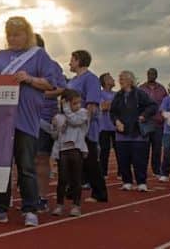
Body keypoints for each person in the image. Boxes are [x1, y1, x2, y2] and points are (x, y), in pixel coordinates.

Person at [0, 16, 57, 227]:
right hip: (1, 120)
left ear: (27, 34)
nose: (13, 38)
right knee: (2, 166)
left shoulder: (38, 55)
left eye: (17, 34)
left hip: (25, 118)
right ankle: (0, 208)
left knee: (26, 166)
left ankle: (30, 209)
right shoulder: (0, 56)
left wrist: (30, 79)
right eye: (10, 35)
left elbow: (51, 83)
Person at [67, 50, 108, 202]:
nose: (69, 62)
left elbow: (92, 104)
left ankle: (100, 193)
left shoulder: (90, 79)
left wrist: (84, 125)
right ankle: (72, 190)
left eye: (72, 59)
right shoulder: (72, 80)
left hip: (84, 128)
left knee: (90, 160)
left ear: (79, 61)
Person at [110, 70, 157, 192]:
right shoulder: (118, 95)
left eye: (123, 79)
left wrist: (143, 116)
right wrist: (116, 122)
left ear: (131, 80)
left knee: (139, 159)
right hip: (121, 134)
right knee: (123, 159)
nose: (121, 81)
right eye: (120, 79)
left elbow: (152, 106)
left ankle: (141, 182)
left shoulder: (140, 93)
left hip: (137, 134)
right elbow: (113, 112)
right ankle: (127, 181)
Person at [34, 33, 65, 212]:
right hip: (23, 117)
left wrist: (40, 93)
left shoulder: (51, 65)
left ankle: (42, 197)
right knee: (24, 161)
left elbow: (61, 88)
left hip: (44, 118)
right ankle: (30, 196)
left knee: (41, 158)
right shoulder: (19, 65)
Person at [50, 89, 89, 217]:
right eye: (74, 103)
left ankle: (76, 205)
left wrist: (67, 109)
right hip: (63, 151)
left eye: (79, 103)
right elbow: (55, 136)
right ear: (65, 103)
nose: (78, 106)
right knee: (62, 179)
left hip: (76, 150)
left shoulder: (83, 113)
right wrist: (55, 127)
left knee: (76, 179)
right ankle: (59, 205)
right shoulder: (58, 117)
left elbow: (75, 121)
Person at [139, 68, 168, 177]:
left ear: (156, 75)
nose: (152, 75)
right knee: (144, 149)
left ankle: (156, 170)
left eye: (154, 74)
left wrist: (163, 117)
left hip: (158, 123)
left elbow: (166, 104)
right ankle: (142, 170)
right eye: (150, 73)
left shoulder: (162, 89)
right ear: (147, 75)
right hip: (145, 123)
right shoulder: (141, 88)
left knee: (157, 149)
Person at [98, 73, 117, 178]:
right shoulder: (100, 93)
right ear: (105, 82)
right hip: (104, 127)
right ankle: (103, 172)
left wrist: (109, 104)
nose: (113, 79)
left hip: (115, 126)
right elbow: (103, 107)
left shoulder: (117, 94)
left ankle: (121, 173)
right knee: (104, 151)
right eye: (110, 78)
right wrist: (113, 104)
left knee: (119, 151)